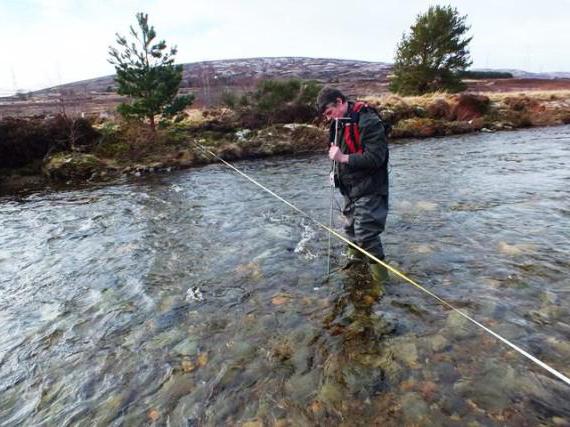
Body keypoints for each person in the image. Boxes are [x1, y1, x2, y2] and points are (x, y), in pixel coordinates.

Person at [316, 87, 390, 292]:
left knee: (366, 233)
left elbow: (376, 158)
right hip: (349, 186)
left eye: (330, 113)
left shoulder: (368, 120)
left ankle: (382, 282)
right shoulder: (337, 124)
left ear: (340, 102)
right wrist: (335, 172)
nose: (329, 118)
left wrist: (343, 159)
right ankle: (355, 262)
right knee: (349, 227)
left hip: (371, 185)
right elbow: (336, 151)